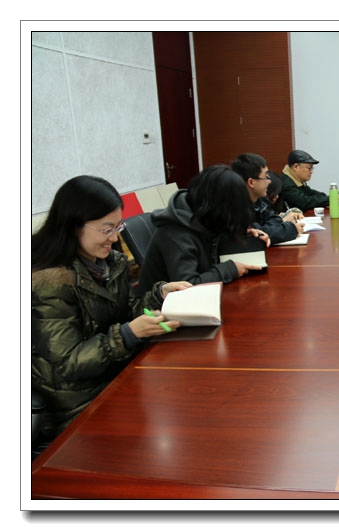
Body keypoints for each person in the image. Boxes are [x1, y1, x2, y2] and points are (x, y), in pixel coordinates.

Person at [32, 175, 192, 439]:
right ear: (73, 226)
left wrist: (159, 295)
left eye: (118, 227)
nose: (115, 237)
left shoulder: (108, 262)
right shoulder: (49, 283)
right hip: (77, 404)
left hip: (118, 377)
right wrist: (128, 334)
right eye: (107, 229)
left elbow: (123, 312)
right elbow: (66, 365)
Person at [137, 164, 263, 297]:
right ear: (220, 206)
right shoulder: (176, 233)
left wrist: (241, 234)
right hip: (160, 307)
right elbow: (188, 286)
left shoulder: (203, 217)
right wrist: (230, 269)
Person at [231, 153, 303, 245]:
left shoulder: (258, 200)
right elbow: (260, 234)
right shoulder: (237, 206)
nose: (269, 181)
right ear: (251, 182)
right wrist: (292, 229)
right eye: (266, 177)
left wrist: (271, 228)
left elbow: (273, 219)